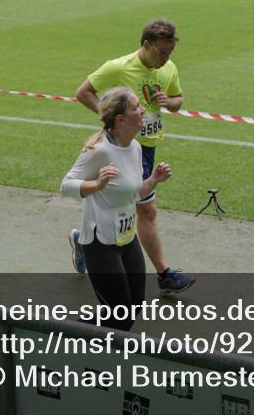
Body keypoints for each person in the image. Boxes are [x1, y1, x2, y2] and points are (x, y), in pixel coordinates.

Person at [71, 18, 193, 295]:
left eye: (170, 53)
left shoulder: (169, 68)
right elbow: (83, 92)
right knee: (146, 209)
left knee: (121, 208)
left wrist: (169, 103)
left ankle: (83, 239)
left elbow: (178, 99)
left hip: (146, 147)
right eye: (161, 52)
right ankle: (164, 273)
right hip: (122, 149)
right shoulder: (120, 67)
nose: (166, 58)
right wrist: (113, 119)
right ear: (146, 45)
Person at [61, 87, 172, 331]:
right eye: (136, 107)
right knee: (117, 316)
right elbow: (66, 186)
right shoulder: (99, 151)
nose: (143, 110)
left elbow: (132, 194)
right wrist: (97, 184)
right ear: (121, 119)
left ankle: (76, 339)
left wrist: (153, 180)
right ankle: (63, 337)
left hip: (127, 239)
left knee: (133, 308)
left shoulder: (135, 147)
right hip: (100, 244)